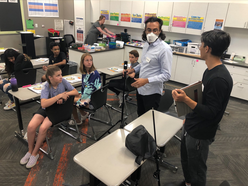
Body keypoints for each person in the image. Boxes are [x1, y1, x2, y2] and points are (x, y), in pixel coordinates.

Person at [172, 30, 233, 186]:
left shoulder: (219, 78)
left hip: (201, 132)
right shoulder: (210, 71)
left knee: (197, 168)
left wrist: (185, 99)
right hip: (193, 124)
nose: (199, 48)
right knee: (187, 160)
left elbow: (211, 112)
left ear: (208, 49)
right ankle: (188, 183)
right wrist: (188, 115)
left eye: (201, 45)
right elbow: (204, 100)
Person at [20, 66, 78, 169]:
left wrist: (64, 94)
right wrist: (58, 97)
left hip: (59, 110)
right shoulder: (46, 86)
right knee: (31, 127)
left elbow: (75, 92)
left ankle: (34, 153)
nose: (61, 77)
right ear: (50, 77)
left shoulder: (63, 81)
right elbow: (43, 104)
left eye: (61, 74)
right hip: (47, 108)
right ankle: (29, 151)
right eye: (58, 75)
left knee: (42, 128)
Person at [125, 17, 172, 116]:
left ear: (160, 31)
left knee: (150, 121)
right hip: (140, 89)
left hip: (152, 92)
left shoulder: (164, 49)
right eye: (149, 30)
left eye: (155, 30)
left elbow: (166, 75)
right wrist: (133, 69)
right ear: (145, 30)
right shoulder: (146, 44)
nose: (151, 33)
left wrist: (146, 80)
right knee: (140, 117)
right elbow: (145, 63)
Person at [71, 53, 101, 125]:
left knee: (70, 100)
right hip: (89, 96)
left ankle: (77, 120)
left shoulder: (94, 74)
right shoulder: (85, 73)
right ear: (83, 62)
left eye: (91, 60)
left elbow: (90, 90)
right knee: (72, 95)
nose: (89, 62)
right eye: (87, 60)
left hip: (93, 99)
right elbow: (84, 88)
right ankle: (83, 114)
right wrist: (80, 95)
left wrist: (81, 97)